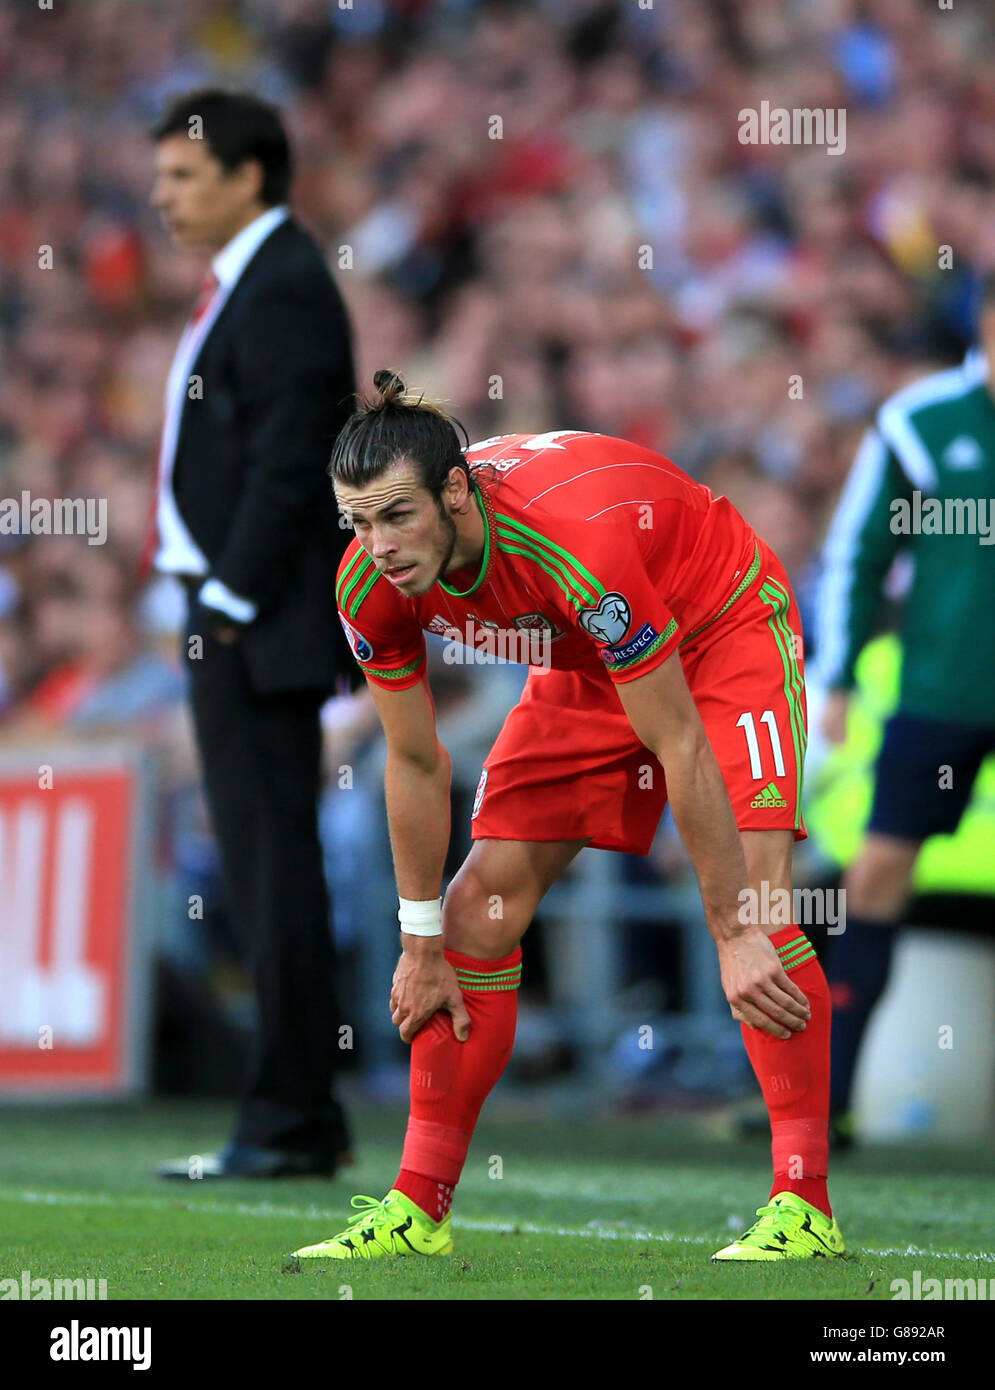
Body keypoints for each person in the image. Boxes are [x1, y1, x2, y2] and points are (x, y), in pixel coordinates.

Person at [287, 370, 844, 1261]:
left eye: (397, 516)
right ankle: (417, 1208)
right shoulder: (369, 586)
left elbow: (681, 744)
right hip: (589, 664)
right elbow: (415, 759)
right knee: (474, 915)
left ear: (457, 493)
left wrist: (734, 927)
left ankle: (802, 1205)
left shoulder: (568, 542)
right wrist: (420, 940)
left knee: (766, 917)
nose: (377, 544)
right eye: (357, 521)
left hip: (717, 623)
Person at [148, 89, 356, 1179]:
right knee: (266, 867)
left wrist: (226, 598)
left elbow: (290, 457)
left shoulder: (279, 286)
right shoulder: (258, 279)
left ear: (247, 174)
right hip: (239, 614)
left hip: (254, 623)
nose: (162, 195)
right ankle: (292, 1113)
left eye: (182, 175)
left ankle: (291, 1118)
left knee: (275, 871)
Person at [816, 278, 995, 1147]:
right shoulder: (921, 421)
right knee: (877, 873)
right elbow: (860, 547)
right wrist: (840, 674)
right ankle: (833, 1095)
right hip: (942, 690)